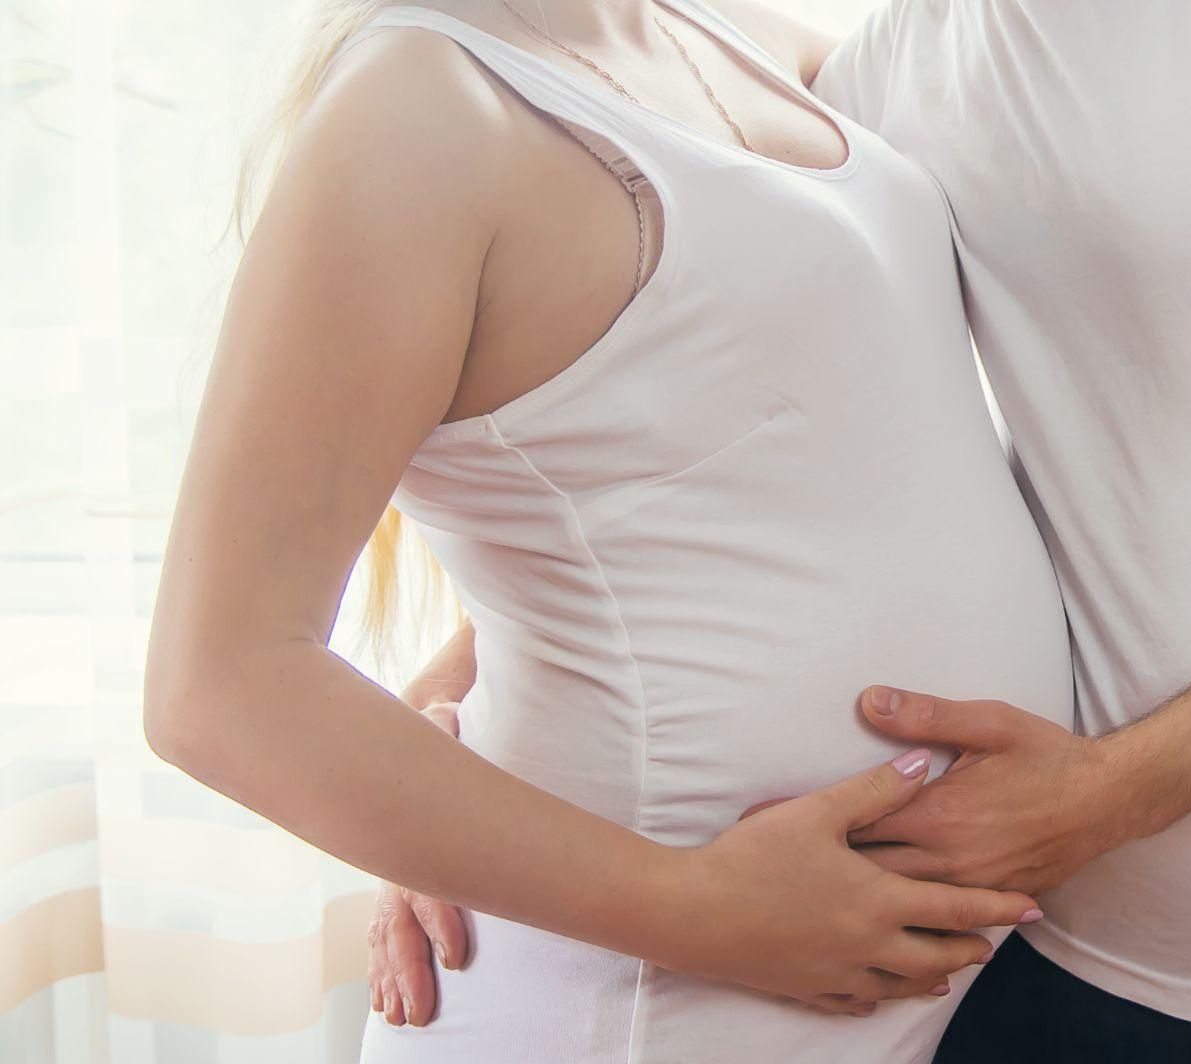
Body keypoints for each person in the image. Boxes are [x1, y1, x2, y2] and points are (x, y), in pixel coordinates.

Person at [375, 0, 1191, 1059]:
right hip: (993, 946)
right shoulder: (878, 71)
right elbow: (702, 443)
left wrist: (1107, 796)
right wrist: (449, 767)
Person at [141, 0, 1074, 1060]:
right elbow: (217, 688)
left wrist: (444, 696)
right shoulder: (417, 107)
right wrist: (698, 907)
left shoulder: (731, 38)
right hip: (644, 999)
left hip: (871, 989)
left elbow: (676, 469)